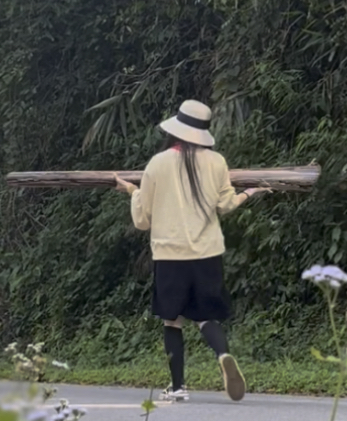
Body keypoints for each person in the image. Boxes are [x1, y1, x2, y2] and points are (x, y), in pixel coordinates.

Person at [113, 99, 269, 402]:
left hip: (170, 255)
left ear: (176, 130)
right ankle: (223, 354)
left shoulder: (158, 163)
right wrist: (250, 192)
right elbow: (225, 205)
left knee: (173, 320)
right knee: (206, 317)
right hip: (207, 253)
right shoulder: (217, 161)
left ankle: (178, 387)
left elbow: (143, 218)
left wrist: (132, 191)